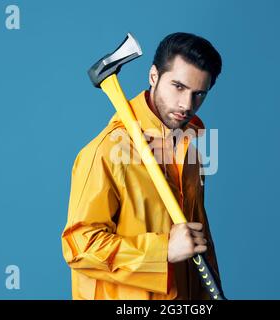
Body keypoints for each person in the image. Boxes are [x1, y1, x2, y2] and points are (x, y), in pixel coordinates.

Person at [61, 32, 223, 300]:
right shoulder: (105, 152)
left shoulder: (189, 153)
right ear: (153, 76)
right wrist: (163, 251)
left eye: (199, 94)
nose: (186, 105)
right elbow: (78, 247)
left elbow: (199, 244)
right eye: (178, 87)